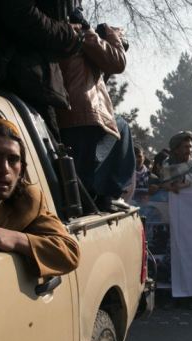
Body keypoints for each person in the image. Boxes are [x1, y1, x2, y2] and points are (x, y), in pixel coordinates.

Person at [0, 118, 80, 277]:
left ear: (21, 169)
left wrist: (16, 239)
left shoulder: (26, 202)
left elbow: (69, 252)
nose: (4, 169)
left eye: (13, 159)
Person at [57, 22, 134, 208]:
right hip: (84, 114)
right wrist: (111, 32)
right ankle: (110, 193)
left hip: (72, 114)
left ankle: (98, 198)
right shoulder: (84, 36)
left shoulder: (83, 49)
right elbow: (117, 61)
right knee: (121, 125)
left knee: (81, 174)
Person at [0, 0, 86, 139]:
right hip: (20, 81)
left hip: (34, 81)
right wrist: (68, 34)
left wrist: (73, 38)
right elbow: (19, 12)